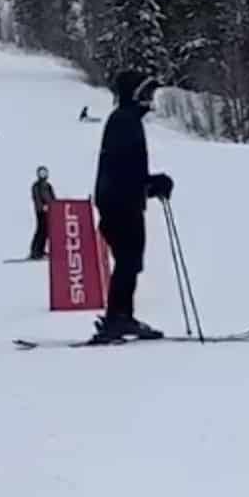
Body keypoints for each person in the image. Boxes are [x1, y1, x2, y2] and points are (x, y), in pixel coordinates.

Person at [91, 70, 172, 342]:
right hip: (119, 204)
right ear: (134, 95)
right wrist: (151, 184)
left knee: (130, 262)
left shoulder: (127, 120)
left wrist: (150, 185)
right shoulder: (124, 121)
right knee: (128, 260)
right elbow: (123, 170)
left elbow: (128, 171)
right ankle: (116, 318)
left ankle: (122, 317)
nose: (150, 99)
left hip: (122, 201)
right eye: (146, 93)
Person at [29, 165, 54, 260]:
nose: (43, 175)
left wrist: (55, 206)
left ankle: (41, 250)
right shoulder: (36, 186)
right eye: (41, 173)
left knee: (46, 231)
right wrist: (42, 207)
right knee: (41, 229)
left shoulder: (48, 186)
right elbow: (36, 198)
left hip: (49, 211)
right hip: (40, 211)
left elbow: (53, 197)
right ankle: (35, 251)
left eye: (44, 173)